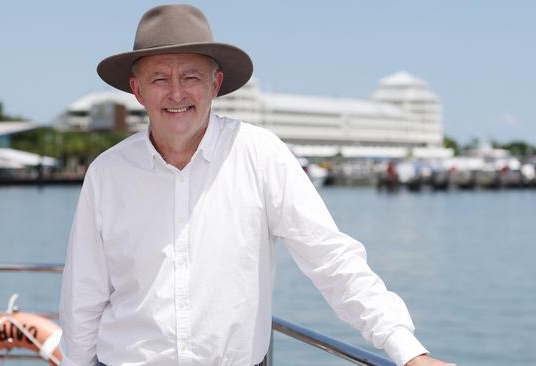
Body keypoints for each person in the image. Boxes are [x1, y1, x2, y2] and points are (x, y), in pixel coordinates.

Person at [59, 4, 456, 366]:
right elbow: (84, 295)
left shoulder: (261, 154)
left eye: (191, 77)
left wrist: (408, 352)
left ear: (215, 85)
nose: (177, 93)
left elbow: (331, 259)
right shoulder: (107, 173)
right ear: (137, 90)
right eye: (160, 78)